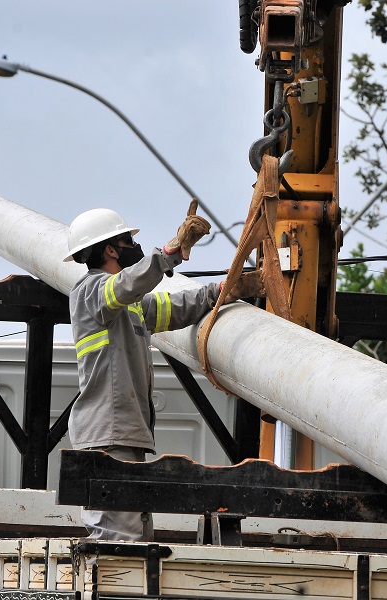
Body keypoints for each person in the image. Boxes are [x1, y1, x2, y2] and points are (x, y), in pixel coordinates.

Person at [63, 201, 257, 541]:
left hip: (123, 435)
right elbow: (125, 285)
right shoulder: (90, 292)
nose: (134, 248)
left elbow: (176, 308)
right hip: (108, 437)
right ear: (110, 249)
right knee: (119, 544)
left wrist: (225, 290)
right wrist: (171, 252)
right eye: (128, 243)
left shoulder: (128, 306)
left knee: (136, 539)